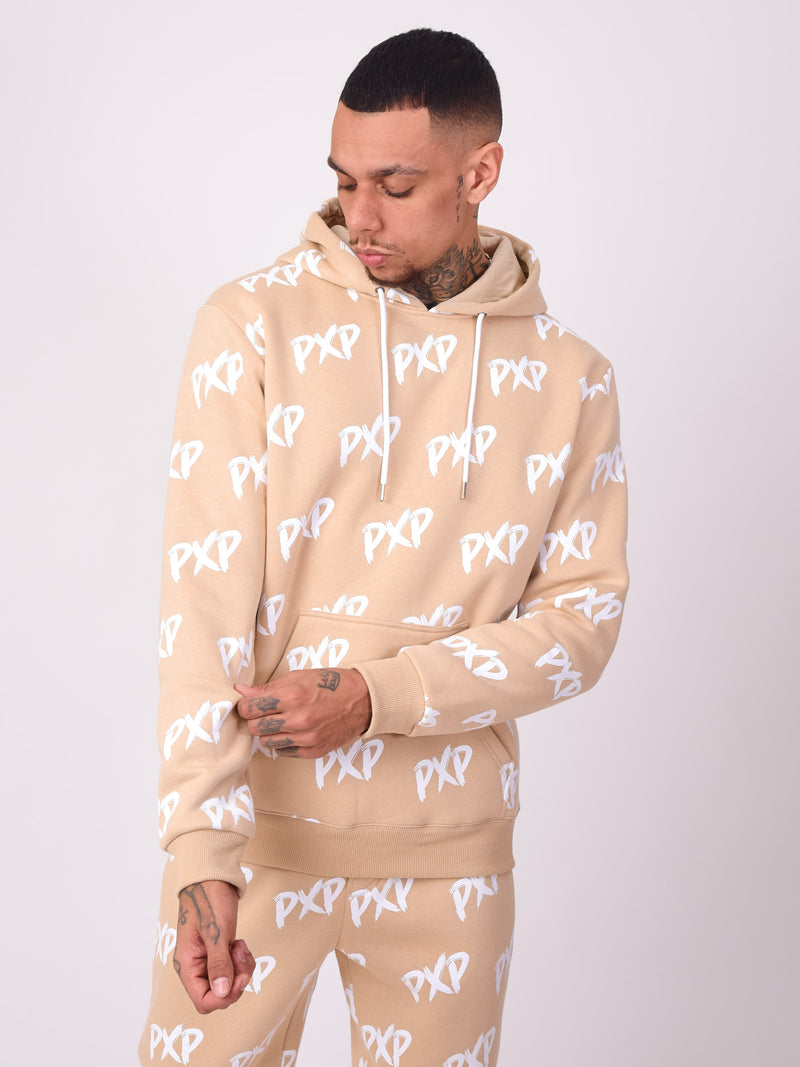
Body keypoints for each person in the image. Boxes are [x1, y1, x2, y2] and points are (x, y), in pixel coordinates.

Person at [140, 28, 628, 1067]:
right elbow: (202, 603)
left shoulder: (570, 379)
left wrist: (377, 695)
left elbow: (580, 628)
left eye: (395, 186)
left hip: (453, 867)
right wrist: (199, 849)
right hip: (256, 855)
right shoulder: (251, 326)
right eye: (343, 179)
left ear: (479, 174)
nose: (357, 214)